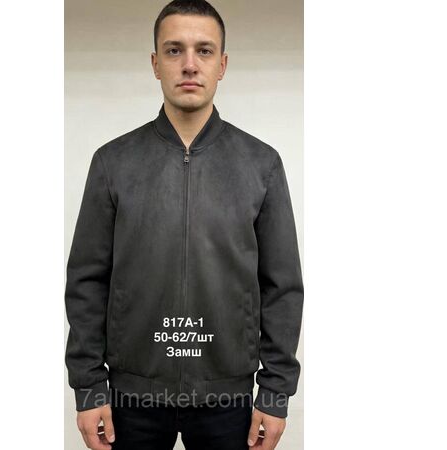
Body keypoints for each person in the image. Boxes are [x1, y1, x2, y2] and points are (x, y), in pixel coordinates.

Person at [64, 1, 304, 449]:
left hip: (227, 399)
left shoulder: (262, 165)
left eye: (204, 50)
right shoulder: (113, 163)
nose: (189, 64)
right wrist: (89, 386)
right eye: (174, 50)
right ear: (155, 63)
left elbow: (282, 288)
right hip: (131, 398)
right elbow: (87, 281)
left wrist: (274, 393)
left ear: (222, 65)